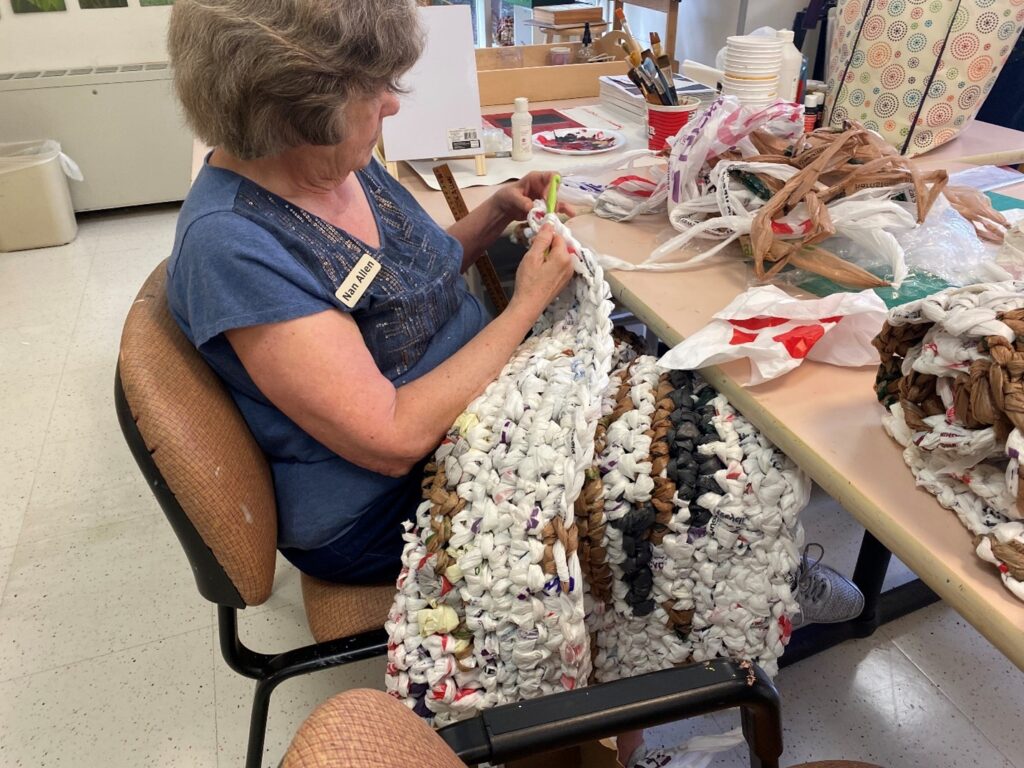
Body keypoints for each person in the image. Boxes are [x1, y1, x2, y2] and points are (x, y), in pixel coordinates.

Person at [165, 0, 575, 586]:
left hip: (471, 413)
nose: (391, 102)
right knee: (650, 489)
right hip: (376, 507)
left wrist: (494, 215)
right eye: (372, 89)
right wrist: (526, 305)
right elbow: (391, 437)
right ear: (294, 110)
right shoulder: (232, 246)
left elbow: (403, 289)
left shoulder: (332, 159)